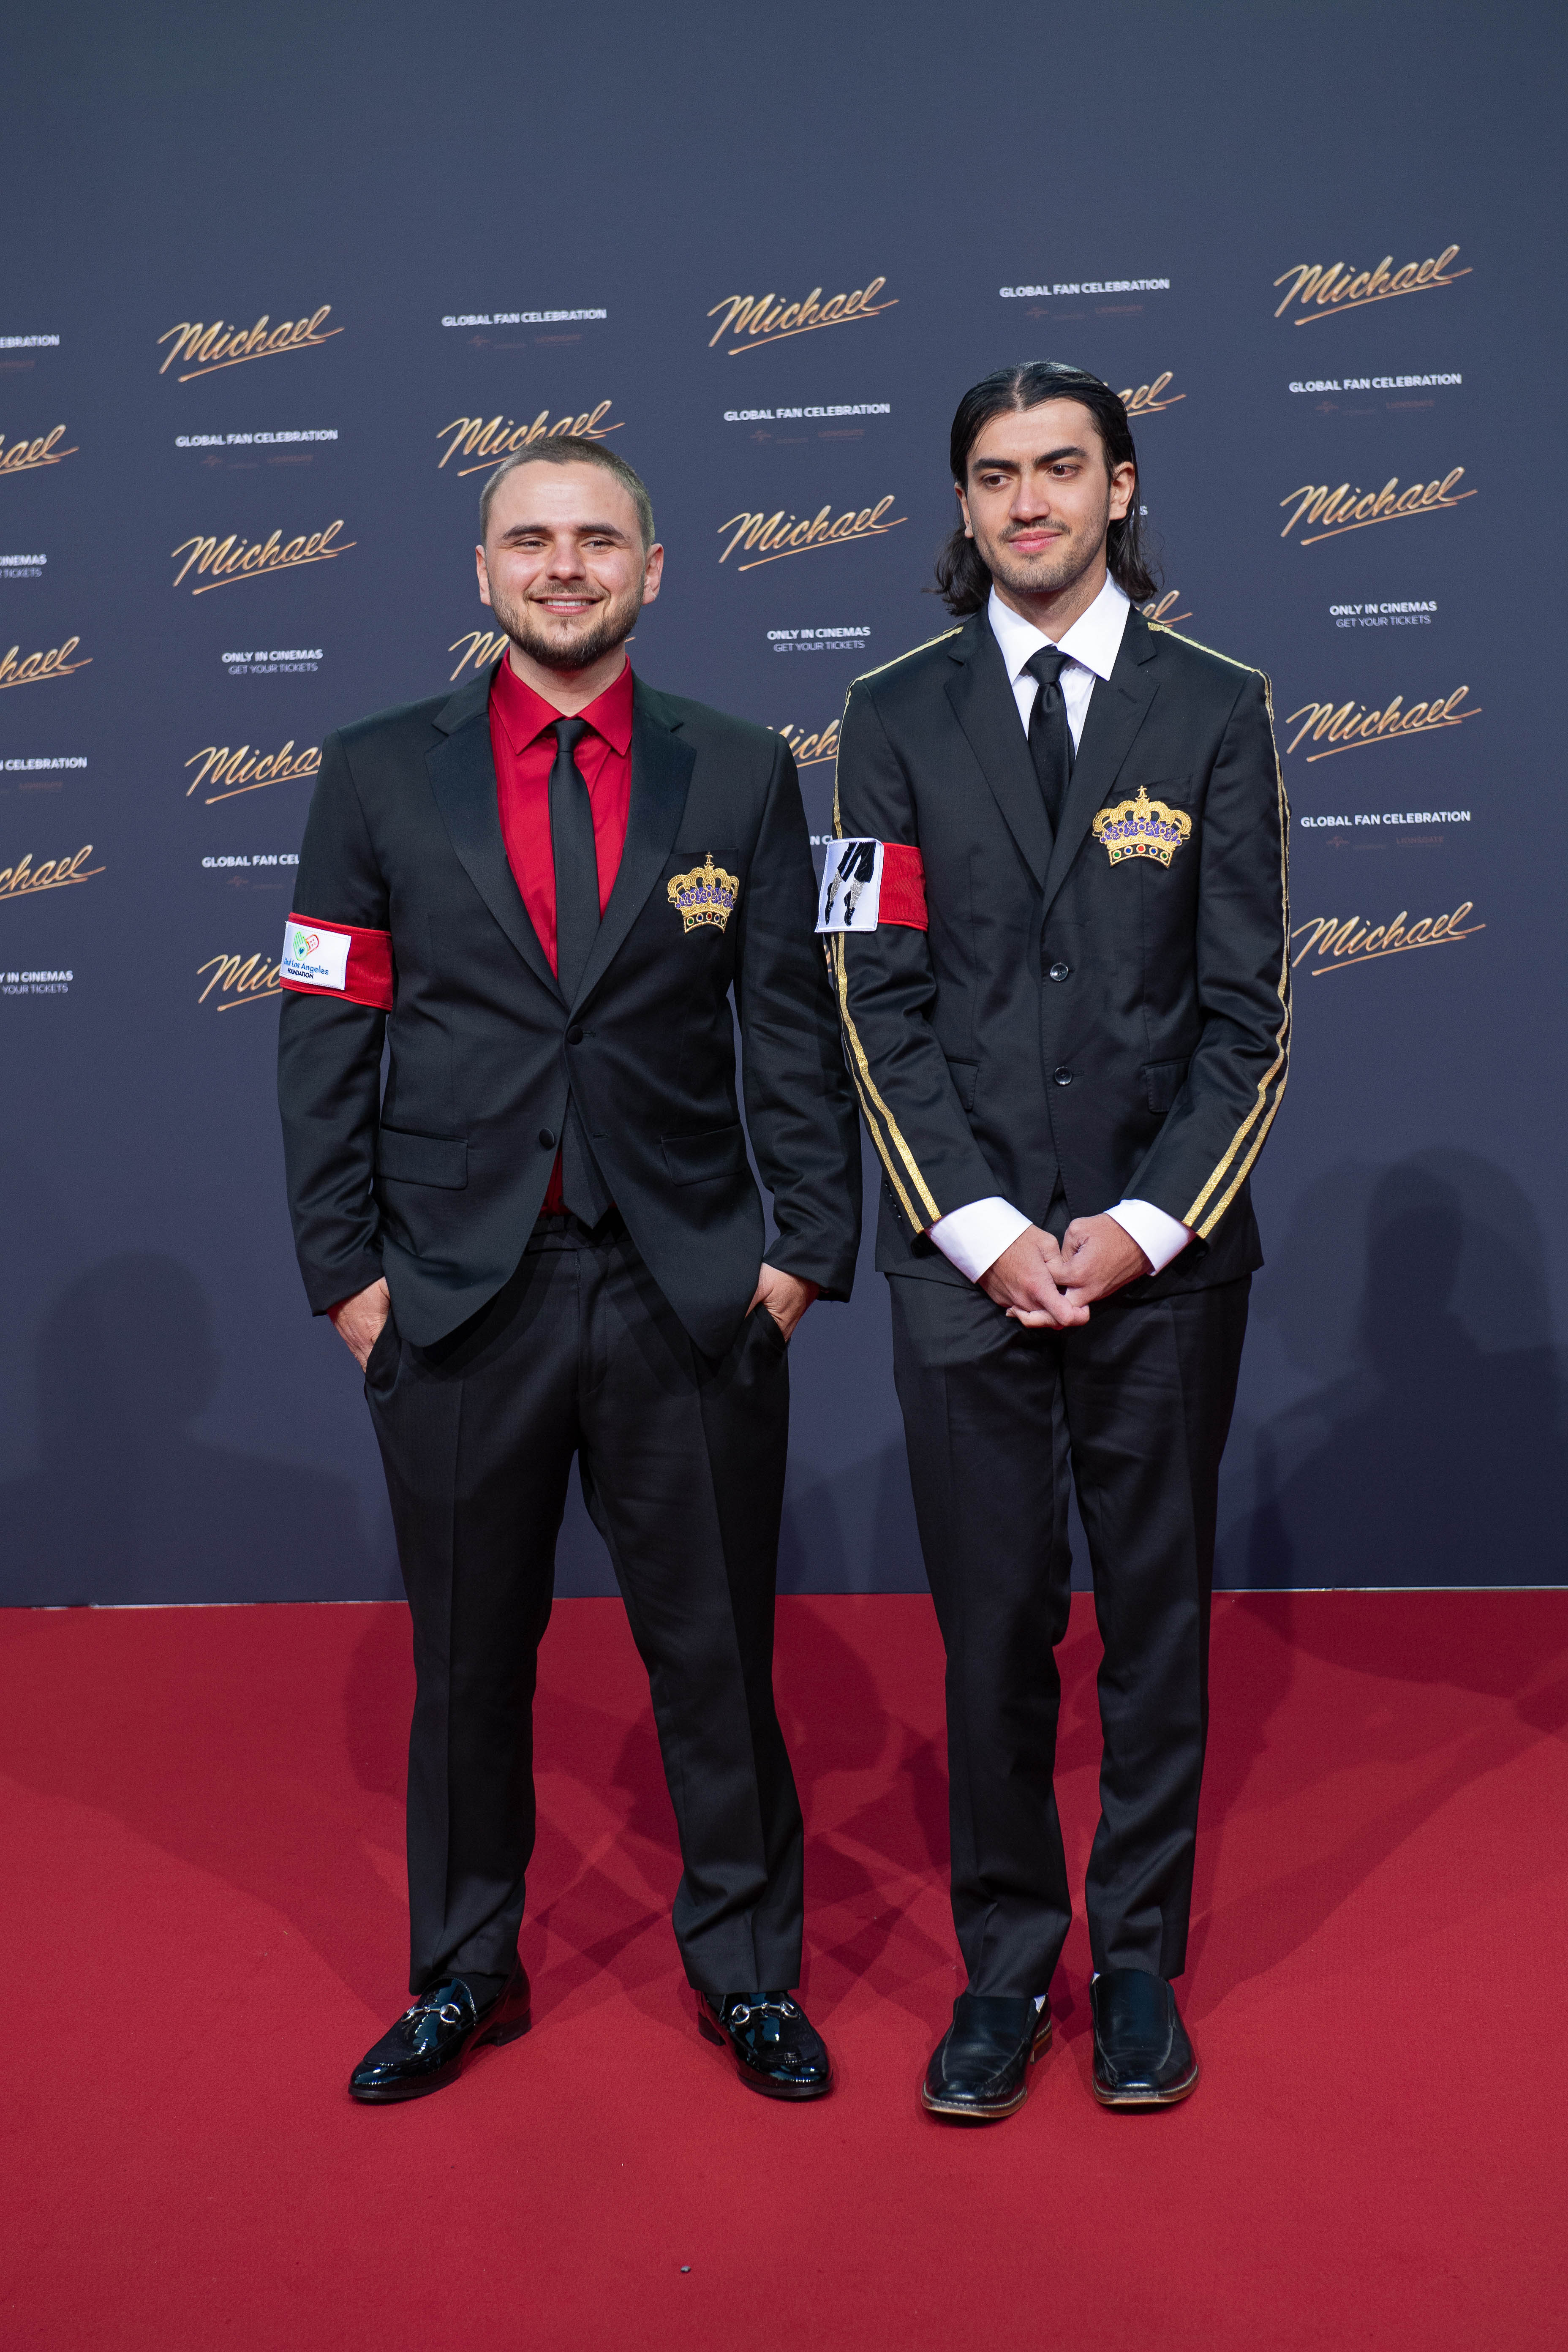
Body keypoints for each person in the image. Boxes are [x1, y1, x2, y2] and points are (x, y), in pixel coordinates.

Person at [278, 437, 861, 2105]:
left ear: (650, 571)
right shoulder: (374, 772)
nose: (562, 566)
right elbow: (324, 1036)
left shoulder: (740, 768)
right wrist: (349, 1276)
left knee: (717, 1656)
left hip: (690, 1290)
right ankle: (466, 1970)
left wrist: (802, 1253)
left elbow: (792, 1030)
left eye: (597, 540)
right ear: (483, 571)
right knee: (468, 1662)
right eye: (529, 540)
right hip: (459, 1294)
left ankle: (748, 1971)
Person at [823, 362, 1289, 2120]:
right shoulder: (886, 715)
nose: (1029, 501)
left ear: (1121, 485)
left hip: (1165, 1270)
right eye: (996, 474)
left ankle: (1137, 1963)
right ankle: (1006, 1967)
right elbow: (869, 997)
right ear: (962, 504)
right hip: (966, 1273)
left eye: (1061, 468)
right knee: (992, 1629)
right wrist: (981, 1229)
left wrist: (1146, 1227)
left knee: (1155, 1625)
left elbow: (1248, 1015)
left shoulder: (1220, 706)